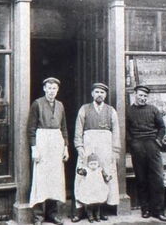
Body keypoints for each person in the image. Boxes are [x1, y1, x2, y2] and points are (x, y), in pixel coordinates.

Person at [72, 83, 120, 222]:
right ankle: (79, 209)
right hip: (88, 145)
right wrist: (79, 147)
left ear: (105, 95)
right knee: (83, 175)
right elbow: (78, 130)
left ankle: (101, 208)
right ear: (92, 94)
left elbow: (116, 132)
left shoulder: (111, 111)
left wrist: (115, 151)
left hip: (106, 145)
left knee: (104, 175)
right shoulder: (84, 109)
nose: (100, 94)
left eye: (102, 92)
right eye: (97, 92)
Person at [28, 77, 70, 225]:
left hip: (56, 142)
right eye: (49, 88)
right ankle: (38, 216)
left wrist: (66, 147)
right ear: (44, 89)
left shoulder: (60, 105)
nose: (52, 91)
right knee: (41, 179)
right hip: (42, 141)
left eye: (54, 88)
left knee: (54, 180)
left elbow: (64, 128)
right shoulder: (37, 104)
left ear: (57, 90)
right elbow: (31, 129)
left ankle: (52, 214)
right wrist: (34, 149)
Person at [126, 85, 166, 222]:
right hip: (137, 145)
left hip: (152, 144)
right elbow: (126, 130)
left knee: (157, 178)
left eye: (145, 96)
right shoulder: (128, 110)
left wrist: (157, 141)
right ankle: (145, 209)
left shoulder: (153, 110)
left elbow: (162, 127)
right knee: (141, 178)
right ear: (135, 95)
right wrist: (132, 143)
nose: (142, 98)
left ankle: (158, 211)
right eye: (140, 95)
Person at [74, 153, 112, 223]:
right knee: (89, 205)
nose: (93, 166)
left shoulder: (100, 170)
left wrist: (107, 177)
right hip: (89, 190)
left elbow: (105, 176)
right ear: (88, 164)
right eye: (91, 164)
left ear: (98, 164)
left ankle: (97, 216)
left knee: (97, 204)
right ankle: (90, 216)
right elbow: (80, 172)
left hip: (97, 190)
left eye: (95, 164)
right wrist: (79, 169)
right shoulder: (87, 170)